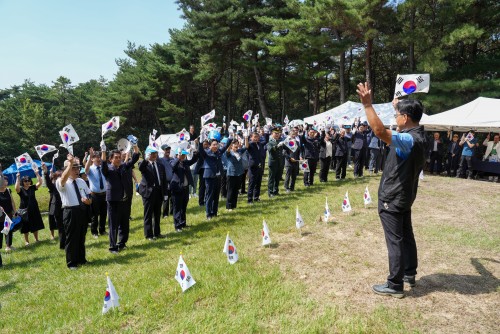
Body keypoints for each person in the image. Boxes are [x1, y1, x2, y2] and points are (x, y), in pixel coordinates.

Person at [357, 82, 426, 298]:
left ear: (405, 119)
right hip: (405, 195)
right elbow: (398, 122)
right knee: (406, 235)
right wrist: (397, 105)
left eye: (397, 116)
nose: (395, 119)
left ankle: (395, 284)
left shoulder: (407, 140)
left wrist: (368, 105)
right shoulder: (420, 136)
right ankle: (409, 273)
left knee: (395, 239)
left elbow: (379, 131)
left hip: (393, 196)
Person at [101, 142, 140, 251]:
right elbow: (103, 164)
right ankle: (113, 247)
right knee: (113, 225)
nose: (118, 159)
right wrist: (103, 151)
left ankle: (122, 243)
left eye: (119, 157)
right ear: (111, 159)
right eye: (116, 158)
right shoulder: (108, 170)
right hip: (114, 201)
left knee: (124, 223)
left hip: (125, 200)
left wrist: (135, 145)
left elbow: (135, 158)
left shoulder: (123, 167)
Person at [55, 155, 92, 269]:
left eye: (77, 168)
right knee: (72, 238)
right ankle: (71, 262)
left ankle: (82, 259)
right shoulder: (61, 181)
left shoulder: (81, 181)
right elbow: (63, 179)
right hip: (70, 211)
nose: (77, 171)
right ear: (67, 169)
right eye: (73, 168)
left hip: (82, 210)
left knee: (81, 236)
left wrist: (88, 201)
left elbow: (89, 197)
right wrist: (70, 163)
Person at [198, 129, 231, 219]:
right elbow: (200, 149)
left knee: (216, 196)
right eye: (213, 145)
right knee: (209, 196)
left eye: (216, 145)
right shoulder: (206, 153)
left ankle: (214, 212)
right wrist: (201, 139)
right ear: (210, 146)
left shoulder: (219, 152)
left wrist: (231, 136)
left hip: (218, 176)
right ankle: (208, 214)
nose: (215, 146)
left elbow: (227, 144)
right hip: (209, 177)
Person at [138, 145, 167, 240]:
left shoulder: (160, 165)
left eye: (156, 153)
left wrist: (165, 193)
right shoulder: (145, 165)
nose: (154, 155)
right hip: (148, 192)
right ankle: (149, 235)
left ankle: (157, 233)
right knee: (148, 214)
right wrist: (146, 159)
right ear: (148, 154)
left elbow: (163, 180)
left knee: (157, 214)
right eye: (152, 153)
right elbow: (141, 168)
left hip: (158, 192)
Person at [170, 147, 198, 231]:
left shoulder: (185, 162)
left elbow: (193, 160)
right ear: (178, 155)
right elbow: (172, 167)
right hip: (177, 188)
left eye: (184, 155)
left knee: (183, 206)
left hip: (185, 188)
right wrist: (178, 158)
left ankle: (183, 223)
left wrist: (195, 152)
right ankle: (177, 225)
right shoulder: (173, 161)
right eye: (182, 155)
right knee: (177, 207)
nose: (184, 156)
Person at [15, 168, 44, 246]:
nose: (27, 182)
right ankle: (27, 241)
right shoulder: (21, 189)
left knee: (35, 224)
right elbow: (16, 188)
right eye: (25, 181)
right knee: (25, 226)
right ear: (22, 182)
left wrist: (37, 173)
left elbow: (40, 182)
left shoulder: (32, 188)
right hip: (24, 210)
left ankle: (36, 239)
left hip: (34, 208)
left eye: (28, 180)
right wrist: (17, 177)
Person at [85, 151, 108, 238]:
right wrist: (88, 157)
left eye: (99, 157)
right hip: (95, 195)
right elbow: (86, 169)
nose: (98, 159)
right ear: (92, 159)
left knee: (103, 213)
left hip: (104, 194)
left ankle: (102, 230)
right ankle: (94, 232)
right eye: (96, 157)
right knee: (95, 214)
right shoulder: (90, 169)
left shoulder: (103, 168)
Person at [42, 163, 64, 247]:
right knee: (61, 227)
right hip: (57, 209)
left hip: (67, 207)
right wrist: (45, 173)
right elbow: (48, 183)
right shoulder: (54, 186)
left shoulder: (66, 185)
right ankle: (63, 244)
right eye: (58, 177)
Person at [225, 137, 247, 209]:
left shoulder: (239, 151)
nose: (236, 148)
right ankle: (229, 206)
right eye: (235, 146)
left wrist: (246, 137)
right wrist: (230, 144)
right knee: (230, 190)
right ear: (232, 146)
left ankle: (234, 205)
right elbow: (227, 152)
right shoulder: (229, 153)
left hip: (239, 173)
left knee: (236, 190)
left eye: (237, 146)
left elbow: (246, 147)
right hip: (231, 173)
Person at [246, 131, 267, 204]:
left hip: (260, 166)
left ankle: (256, 197)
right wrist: (246, 137)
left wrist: (265, 132)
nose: (256, 138)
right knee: (252, 183)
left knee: (258, 183)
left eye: (257, 137)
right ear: (251, 137)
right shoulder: (251, 144)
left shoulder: (259, 144)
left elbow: (266, 140)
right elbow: (246, 146)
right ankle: (249, 199)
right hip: (253, 166)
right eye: (254, 137)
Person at [0, 176, 17, 257]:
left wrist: (14, 211)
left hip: (8, 213)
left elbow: (12, 202)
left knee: (8, 229)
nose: (5, 182)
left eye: (6, 181)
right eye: (3, 181)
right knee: (2, 230)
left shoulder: (8, 190)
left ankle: (8, 246)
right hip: (0, 215)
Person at [267, 126, 285, 197]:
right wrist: (277, 146)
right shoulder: (270, 141)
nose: (277, 135)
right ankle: (270, 192)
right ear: (272, 133)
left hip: (279, 162)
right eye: (276, 133)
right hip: (273, 162)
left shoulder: (279, 141)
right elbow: (270, 149)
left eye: (278, 133)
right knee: (272, 178)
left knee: (277, 177)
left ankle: (276, 190)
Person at [284, 128, 300, 192]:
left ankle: (292, 187)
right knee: (288, 175)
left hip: (296, 161)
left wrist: (300, 156)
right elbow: (284, 152)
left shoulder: (297, 142)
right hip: (289, 161)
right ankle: (286, 187)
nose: (293, 135)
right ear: (290, 134)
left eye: (295, 134)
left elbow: (299, 151)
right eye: (292, 134)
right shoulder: (286, 142)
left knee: (294, 176)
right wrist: (290, 158)